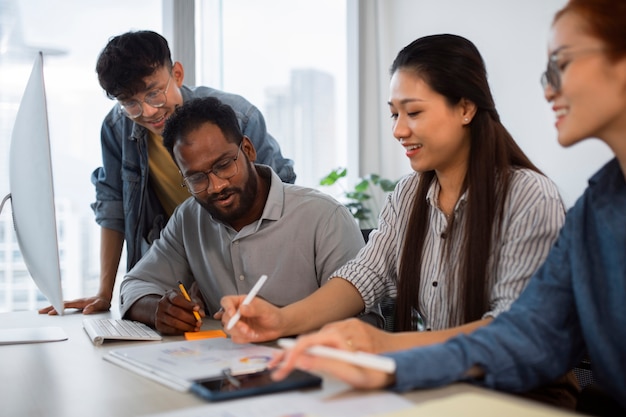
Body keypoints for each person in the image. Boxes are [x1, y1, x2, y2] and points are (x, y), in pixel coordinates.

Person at [272, 0, 626, 413]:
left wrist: (390, 350)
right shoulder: (596, 210)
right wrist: (385, 359)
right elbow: (529, 332)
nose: (548, 89)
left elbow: (520, 333)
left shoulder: (533, 195)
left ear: (465, 107)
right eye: (394, 114)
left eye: (560, 64)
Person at [39, 30, 295, 315]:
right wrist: (104, 293)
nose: (148, 111)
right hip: (173, 257)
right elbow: (112, 208)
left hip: (243, 255)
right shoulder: (116, 129)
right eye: (130, 103)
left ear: (178, 74)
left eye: (154, 92)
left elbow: (275, 195)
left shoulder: (237, 116)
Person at [118, 96, 364, 335]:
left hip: (314, 369)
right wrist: (158, 310)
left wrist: (285, 322)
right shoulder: (189, 219)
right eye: (196, 178)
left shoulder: (324, 217)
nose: (216, 186)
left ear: (248, 149)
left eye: (224, 165)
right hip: (227, 368)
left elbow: (365, 322)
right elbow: (134, 285)